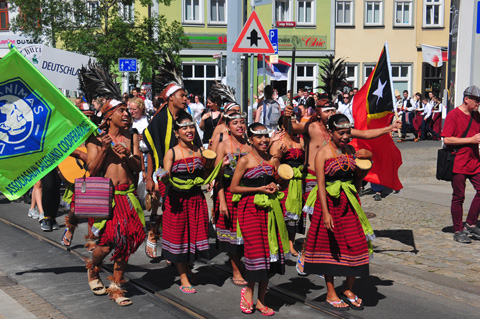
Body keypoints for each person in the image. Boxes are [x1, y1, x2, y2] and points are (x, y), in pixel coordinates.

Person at [283, 100, 399, 273]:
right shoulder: (311, 127)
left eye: (333, 110)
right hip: (313, 180)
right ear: (319, 112)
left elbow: (366, 135)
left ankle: (331, 258)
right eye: (327, 110)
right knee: (317, 221)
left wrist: (389, 128)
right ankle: (308, 253)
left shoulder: (342, 130)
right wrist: (286, 116)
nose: (330, 113)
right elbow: (290, 128)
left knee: (337, 225)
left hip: (340, 181)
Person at [304, 114, 372, 310]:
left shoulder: (351, 151)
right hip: (330, 205)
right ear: (331, 132)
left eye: (347, 133)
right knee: (330, 248)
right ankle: (331, 291)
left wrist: (369, 160)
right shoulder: (323, 153)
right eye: (340, 133)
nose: (345, 137)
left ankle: (348, 289)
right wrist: (325, 213)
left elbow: (359, 178)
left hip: (349, 203)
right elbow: (321, 185)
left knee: (357, 244)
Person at [85, 99, 145, 306]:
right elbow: (92, 170)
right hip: (106, 197)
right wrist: (103, 149)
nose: (127, 114)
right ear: (108, 115)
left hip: (128, 196)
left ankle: (116, 287)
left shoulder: (133, 135)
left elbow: (138, 167)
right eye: (121, 111)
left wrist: (128, 155)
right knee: (107, 243)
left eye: (127, 110)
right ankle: (93, 268)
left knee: (126, 242)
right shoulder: (95, 138)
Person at [161, 111, 224, 293]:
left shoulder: (200, 151)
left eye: (191, 127)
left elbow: (205, 175)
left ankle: (187, 268)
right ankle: (183, 277)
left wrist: (220, 165)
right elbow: (166, 177)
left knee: (194, 235)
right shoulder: (171, 153)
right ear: (176, 132)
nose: (189, 131)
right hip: (177, 201)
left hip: (197, 200)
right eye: (184, 128)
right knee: (180, 237)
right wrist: (164, 178)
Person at [230, 122, 289, 316]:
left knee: (269, 255)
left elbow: (280, 182)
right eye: (258, 137)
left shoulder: (273, 161)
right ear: (251, 139)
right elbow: (234, 188)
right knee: (256, 254)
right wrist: (258, 189)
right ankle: (248, 292)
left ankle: (262, 301)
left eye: (265, 136)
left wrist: (277, 185)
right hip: (250, 211)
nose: (263, 140)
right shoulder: (245, 160)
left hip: (270, 210)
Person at [144, 82, 202, 259]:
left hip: (186, 172)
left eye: (186, 96)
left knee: (179, 214)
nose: (186, 99)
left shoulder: (186, 117)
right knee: (163, 209)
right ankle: (154, 234)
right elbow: (153, 150)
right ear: (170, 98)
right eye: (182, 96)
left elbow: (197, 147)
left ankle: (178, 249)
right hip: (164, 172)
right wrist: (150, 177)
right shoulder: (159, 119)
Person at [214, 112, 250, 286]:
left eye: (242, 122)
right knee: (233, 236)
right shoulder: (223, 145)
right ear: (228, 127)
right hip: (228, 193)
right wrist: (221, 201)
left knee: (246, 234)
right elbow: (216, 177)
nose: (239, 126)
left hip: (247, 195)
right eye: (235, 123)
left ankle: (240, 263)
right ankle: (236, 270)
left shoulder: (250, 146)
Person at [442, 86, 480, 243]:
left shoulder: (476, 116)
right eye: (476, 100)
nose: (478, 104)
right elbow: (447, 139)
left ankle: (470, 223)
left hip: (475, 161)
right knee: (458, 196)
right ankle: (458, 230)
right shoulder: (453, 115)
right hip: (458, 161)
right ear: (467, 99)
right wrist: (470, 140)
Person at [270, 116, 305, 257]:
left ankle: (291, 242)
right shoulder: (278, 141)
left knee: (296, 213)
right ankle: (282, 241)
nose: (295, 124)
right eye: (292, 122)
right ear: (283, 126)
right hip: (284, 180)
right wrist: (279, 157)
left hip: (298, 180)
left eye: (296, 122)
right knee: (284, 211)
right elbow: (273, 161)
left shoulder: (300, 140)